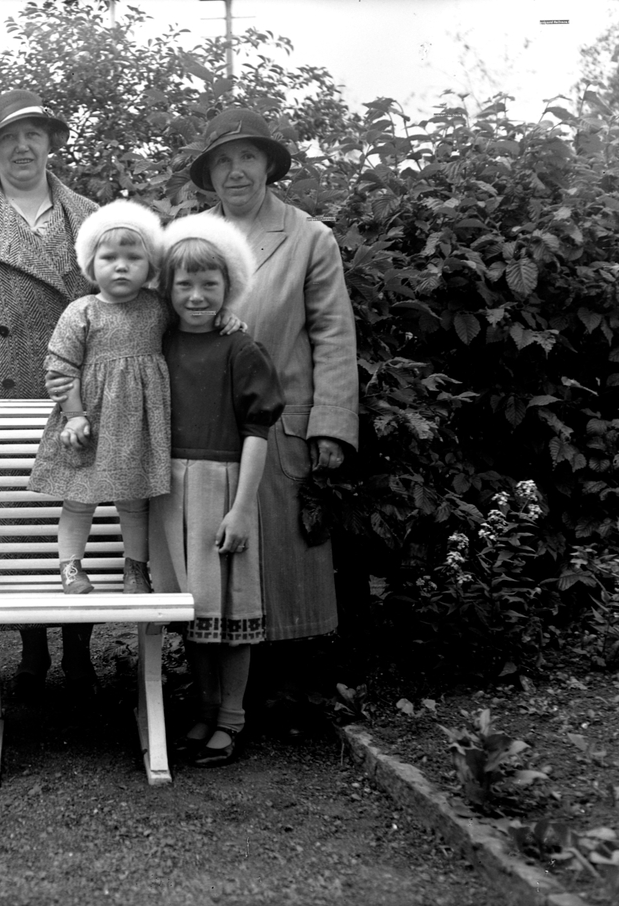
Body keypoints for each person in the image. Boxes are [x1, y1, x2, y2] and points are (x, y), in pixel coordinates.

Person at [186, 107, 359, 735]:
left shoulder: (308, 237)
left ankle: (274, 697)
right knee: (210, 562)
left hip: (279, 426)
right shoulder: (189, 235)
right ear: (209, 173)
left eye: (248, 157)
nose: (236, 171)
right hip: (202, 431)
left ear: (268, 166)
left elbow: (333, 333)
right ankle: (214, 699)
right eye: (222, 161)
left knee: (276, 567)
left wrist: (330, 423)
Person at [0, 89, 99, 698]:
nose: (22, 147)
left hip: (77, 395)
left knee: (81, 513)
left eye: (32, 134)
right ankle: (32, 647)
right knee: (19, 525)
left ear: (50, 142)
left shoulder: (91, 217)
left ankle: (80, 648)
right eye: (8, 137)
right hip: (1, 394)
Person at [148, 214, 284, 767]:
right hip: (170, 491)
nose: (197, 296)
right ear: (167, 288)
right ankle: (203, 710)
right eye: (184, 284)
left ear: (230, 286)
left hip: (223, 489)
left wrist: (242, 509)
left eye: (210, 284)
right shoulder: (158, 342)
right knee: (195, 611)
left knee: (230, 612)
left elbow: (256, 432)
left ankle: (231, 717)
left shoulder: (240, 349)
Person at [28, 200, 171, 604]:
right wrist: (74, 416)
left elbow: (197, 327)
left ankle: (136, 569)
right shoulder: (82, 311)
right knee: (79, 497)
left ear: (150, 266)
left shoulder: (159, 308)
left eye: (133, 258)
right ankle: (70, 567)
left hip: (139, 424)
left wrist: (224, 318)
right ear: (91, 265)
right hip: (91, 421)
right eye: (109, 258)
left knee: (135, 500)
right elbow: (60, 368)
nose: (121, 266)